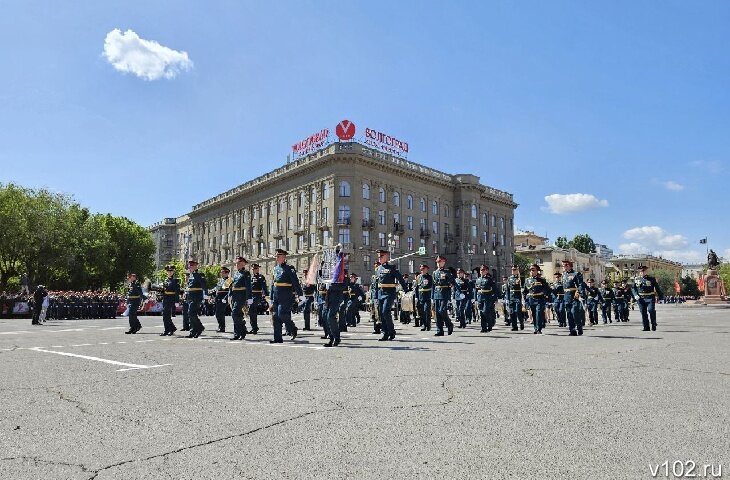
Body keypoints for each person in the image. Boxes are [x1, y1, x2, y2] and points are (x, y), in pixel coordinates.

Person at [270, 249, 303, 344]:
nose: (276, 258)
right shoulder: (275, 269)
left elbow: (295, 283)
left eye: (278, 256)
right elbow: (273, 284)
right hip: (276, 296)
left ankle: (292, 328)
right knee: (275, 316)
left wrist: (300, 295)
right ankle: (277, 338)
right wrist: (271, 298)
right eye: (276, 256)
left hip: (286, 296)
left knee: (282, 314)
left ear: (284, 257)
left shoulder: (289, 268)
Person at [375, 249, 407, 341]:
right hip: (381, 293)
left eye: (381, 256)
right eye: (378, 257)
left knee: (385, 311)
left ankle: (391, 331)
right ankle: (385, 333)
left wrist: (405, 289)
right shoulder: (378, 269)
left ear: (386, 257)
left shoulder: (392, 268)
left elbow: (400, 278)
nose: (379, 258)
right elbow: (377, 283)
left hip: (390, 293)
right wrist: (376, 296)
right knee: (381, 313)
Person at [323, 246, 347, 347]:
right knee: (325, 317)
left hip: (337, 297)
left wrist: (331, 285)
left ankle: (336, 338)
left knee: (330, 316)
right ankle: (331, 337)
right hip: (328, 297)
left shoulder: (341, 271)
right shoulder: (330, 270)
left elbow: (344, 285)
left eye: (336, 255)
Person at [631, 265, 663, 331]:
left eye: (643, 271)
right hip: (640, 299)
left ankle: (653, 323)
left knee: (651, 310)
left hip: (650, 297)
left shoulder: (652, 279)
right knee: (643, 312)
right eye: (640, 271)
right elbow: (633, 288)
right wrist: (635, 295)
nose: (642, 273)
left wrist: (661, 297)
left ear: (646, 271)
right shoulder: (636, 279)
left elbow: (657, 288)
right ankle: (646, 327)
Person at [432, 255, 455, 337]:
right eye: (437, 262)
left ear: (444, 262)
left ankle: (449, 324)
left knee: (442, 310)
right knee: (437, 313)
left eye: (440, 262)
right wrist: (432, 297)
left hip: (444, 294)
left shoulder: (447, 272)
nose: (438, 263)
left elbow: (453, 282)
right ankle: (440, 331)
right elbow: (433, 285)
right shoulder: (435, 273)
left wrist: (457, 290)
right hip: (437, 294)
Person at [522, 264, 550, 334]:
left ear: (537, 271)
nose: (531, 271)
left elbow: (547, 289)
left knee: (538, 313)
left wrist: (545, 295)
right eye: (530, 270)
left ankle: (539, 328)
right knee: (534, 314)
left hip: (540, 299)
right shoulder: (527, 280)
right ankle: (535, 328)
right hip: (531, 299)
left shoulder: (542, 280)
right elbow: (525, 291)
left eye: (533, 270)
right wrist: (526, 300)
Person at [561, 259, 586, 336]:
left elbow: (580, 285)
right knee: (569, 314)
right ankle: (572, 330)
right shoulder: (564, 275)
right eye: (563, 265)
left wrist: (578, 293)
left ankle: (579, 328)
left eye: (566, 265)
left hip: (574, 296)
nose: (564, 267)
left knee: (575, 313)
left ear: (570, 266)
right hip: (566, 297)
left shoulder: (576, 274)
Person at [229, 256, 252, 340]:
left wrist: (249, 298)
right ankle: (238, 334)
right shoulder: (236, 274)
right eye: (236, 263)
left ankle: (241, 330)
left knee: (234, 313)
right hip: (235, 296)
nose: (236, 264)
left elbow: (248, 286)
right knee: (237, 314)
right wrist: (230, 295)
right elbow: (232, 286)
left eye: (238, 263)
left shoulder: (246, 273)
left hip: (241, 296)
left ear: (243, 264)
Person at [185, 259, 208, 338]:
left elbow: (204, 285)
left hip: (197, 297)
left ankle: (199, 328)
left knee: (191, 313)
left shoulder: (199, 275)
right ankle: (193, 331)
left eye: (192, 265)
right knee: (191, 314)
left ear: (196, 266)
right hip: (191, 297)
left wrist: (206, 295)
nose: (190, 267)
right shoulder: (191, 275)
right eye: (189, 265)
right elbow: (189, 287)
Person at [474, 265, 497, 333]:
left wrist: (494, 298)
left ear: (487, 271)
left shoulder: (489, 279)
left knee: (485, 311)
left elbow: (494, 289)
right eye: (481, 270)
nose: (482, 271)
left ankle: (490, 323)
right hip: (480, 297)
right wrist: (475, 299)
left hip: (487, 297)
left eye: (484, 270)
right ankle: (483, 328)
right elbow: (476, 290)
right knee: (481, 313)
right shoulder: (478, 279)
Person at [161, 265, 181, 336]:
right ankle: (168, 329)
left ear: (173, 272)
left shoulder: (175, 281)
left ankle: (170, 329)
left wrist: (176, 301)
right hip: (165, 299)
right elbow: (163, 290)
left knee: (167, 315)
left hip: (171, 299)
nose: (169, 272)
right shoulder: (165, 280)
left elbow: (177, 292)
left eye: (171, 271)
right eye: (168, 271)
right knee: (164, 315)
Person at [249, 263, 267, 334]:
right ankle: (254, 327)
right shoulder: (251, 277)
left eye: (255, 269)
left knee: (252, 309)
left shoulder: (260, 277)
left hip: (257, 295)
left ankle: (255, 328)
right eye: (253, 269)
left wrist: (266, 295)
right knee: (251, 312)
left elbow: (264, 287)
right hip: (251, 296)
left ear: (258, 269)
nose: (254, 270)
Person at [213, 266, 232, 333]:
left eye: (222, 272)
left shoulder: (229, 280)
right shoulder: (221, 280)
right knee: (217, 313)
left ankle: (222, 327)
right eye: (221, 272)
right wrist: (211, 292)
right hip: (218, 298)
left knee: (220, 313)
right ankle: (221, 326)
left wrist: (225, 299)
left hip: (223, 298)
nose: (221, 274)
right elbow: (217, 288)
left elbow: (223, 289)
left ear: (226, 273)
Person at [505, 265, 524, 331]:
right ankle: (514, 326)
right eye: (512, 269)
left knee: (518, 311)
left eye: (515, 269)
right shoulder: (509, 278)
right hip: (511, 297)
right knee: (512, 312)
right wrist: (507, 299)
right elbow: (507, 289)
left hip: (518, 296)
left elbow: (524, 287)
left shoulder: (520, 278)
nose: (513, 271)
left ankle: (521, 322)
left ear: (517, 270)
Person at [415, 264, 433, 331]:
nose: (422, 270)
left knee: (426, 311)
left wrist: (432, 297)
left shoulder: (429, 277)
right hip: (420, 297)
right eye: (421, 269)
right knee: (421, 312)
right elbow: (416, 287)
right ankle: (424, 325)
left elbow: (432, 287)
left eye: (423, 269)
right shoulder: (419, 277)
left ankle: (428, 325)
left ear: (426, 269)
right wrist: (416, 297)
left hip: (427, 296)